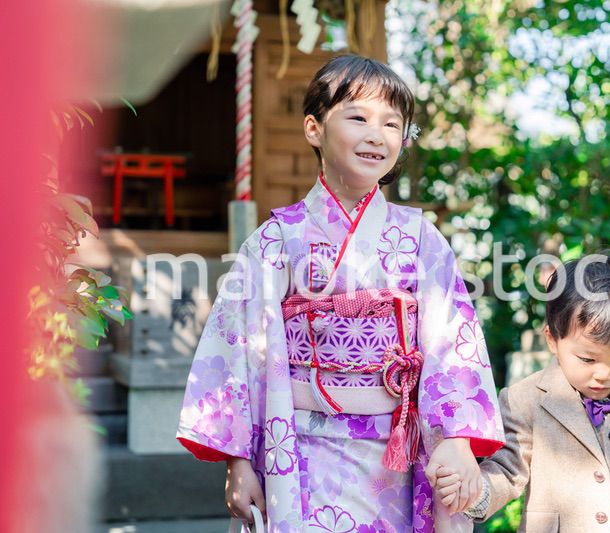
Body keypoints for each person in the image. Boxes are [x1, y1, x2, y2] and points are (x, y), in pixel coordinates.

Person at [176, 54, 504, 532]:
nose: (377, 135)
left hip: (397, 454)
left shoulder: (419, 237)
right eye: (358, 117)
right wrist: (238, 461)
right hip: (300, 452)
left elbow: (453, 342)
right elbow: (237, 349)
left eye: (393, 124)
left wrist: (455, 436)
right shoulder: (277, 239)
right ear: (314, 129)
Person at [435, 253, 610, 532]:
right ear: (553, 340)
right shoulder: (525, 399)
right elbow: (507, 470)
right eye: (588, 359)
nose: (604, 374)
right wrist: (472, 491)